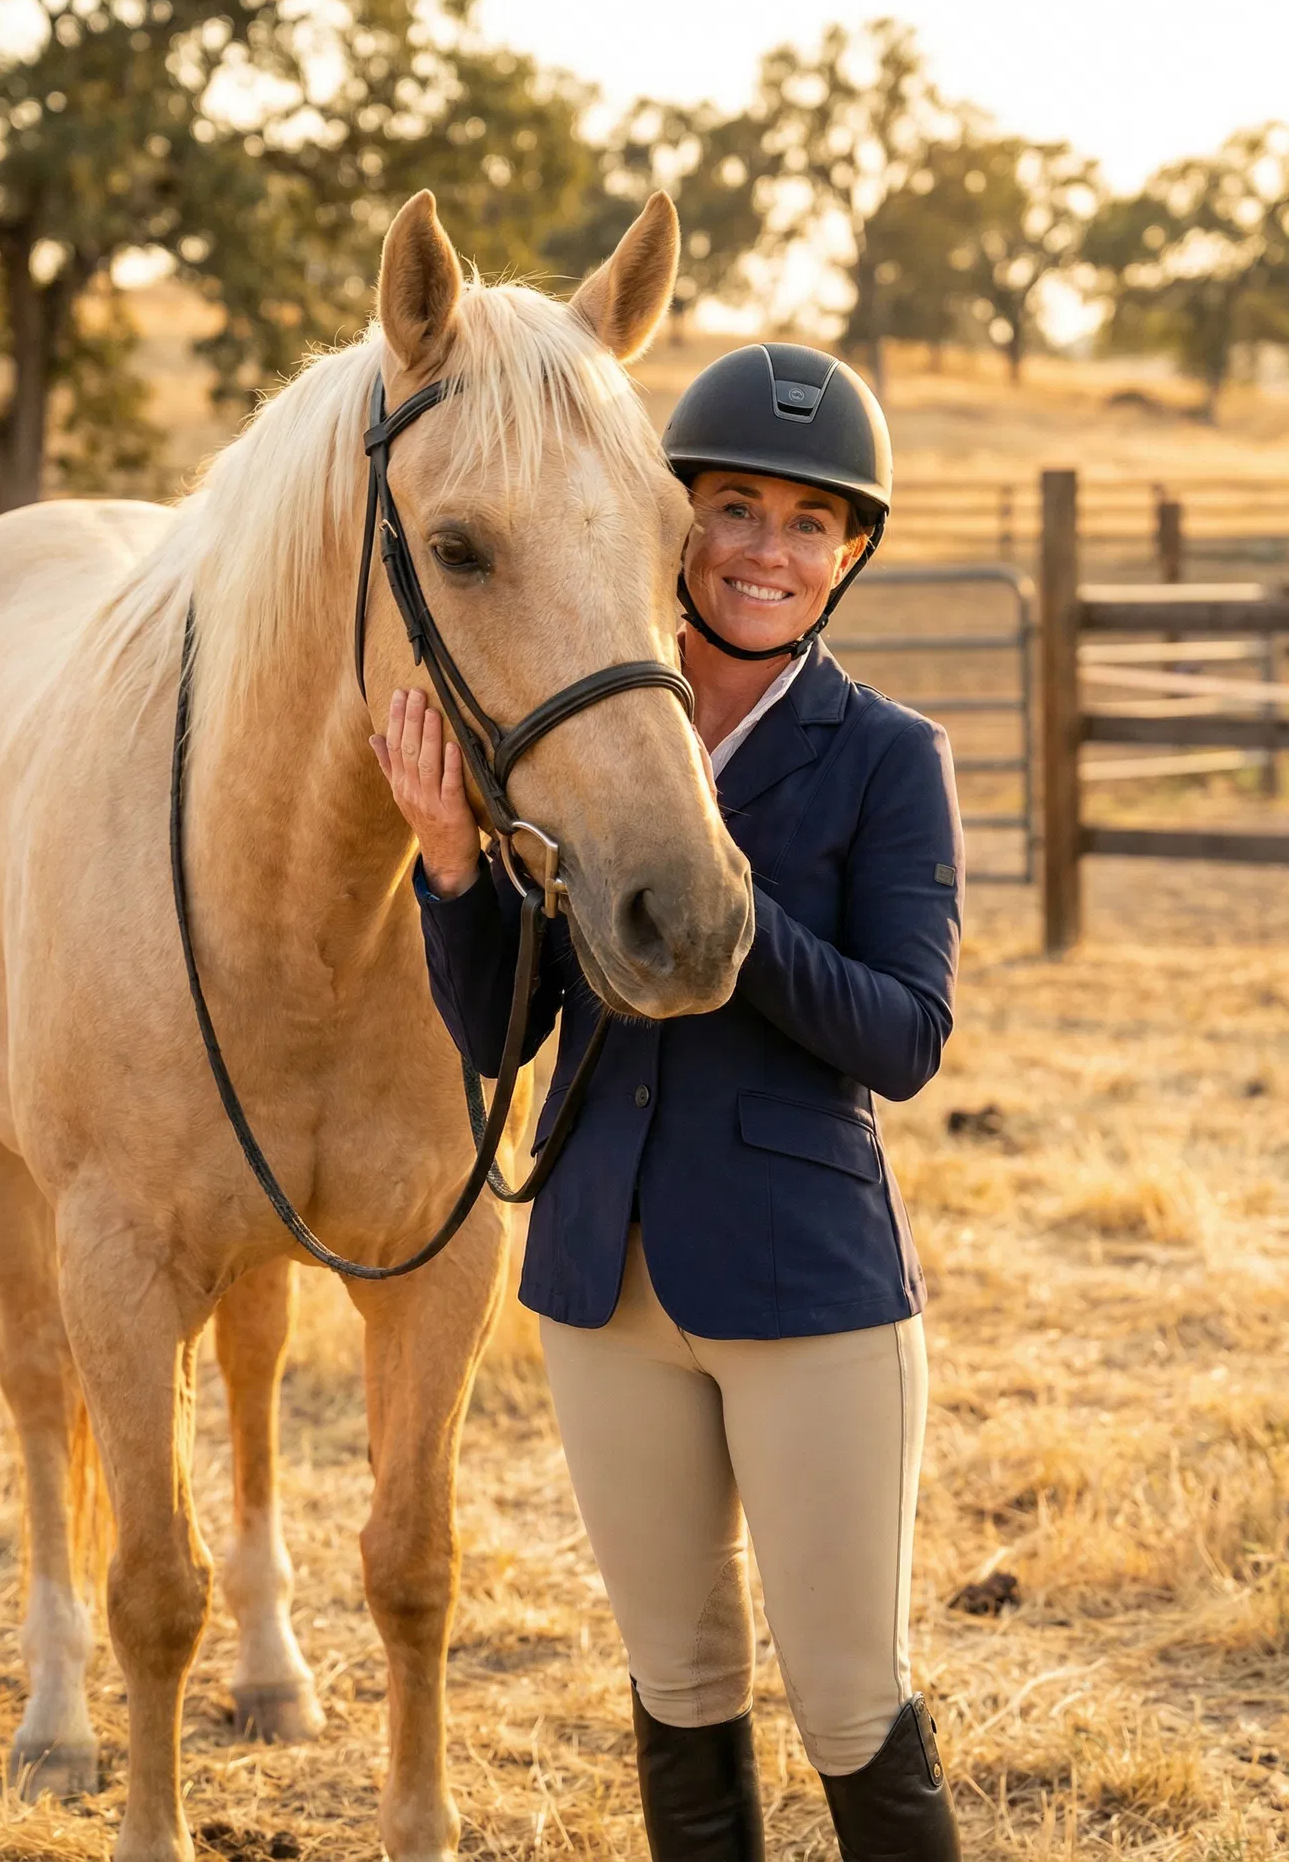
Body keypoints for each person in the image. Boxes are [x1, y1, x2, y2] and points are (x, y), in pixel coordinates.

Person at [371, 342, 963, 1862]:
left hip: (806, 1294)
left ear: (849, 555)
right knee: (679, 1688)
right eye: (735, 508)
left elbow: (904, 1035)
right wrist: (450, 863)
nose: (768, 550)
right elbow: (503, 1040)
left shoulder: (888, 757)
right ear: (670, 524)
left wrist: (728, 911)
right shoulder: (580, 747)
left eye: (811, 523)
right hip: (598, 1283)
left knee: (847, 1703)